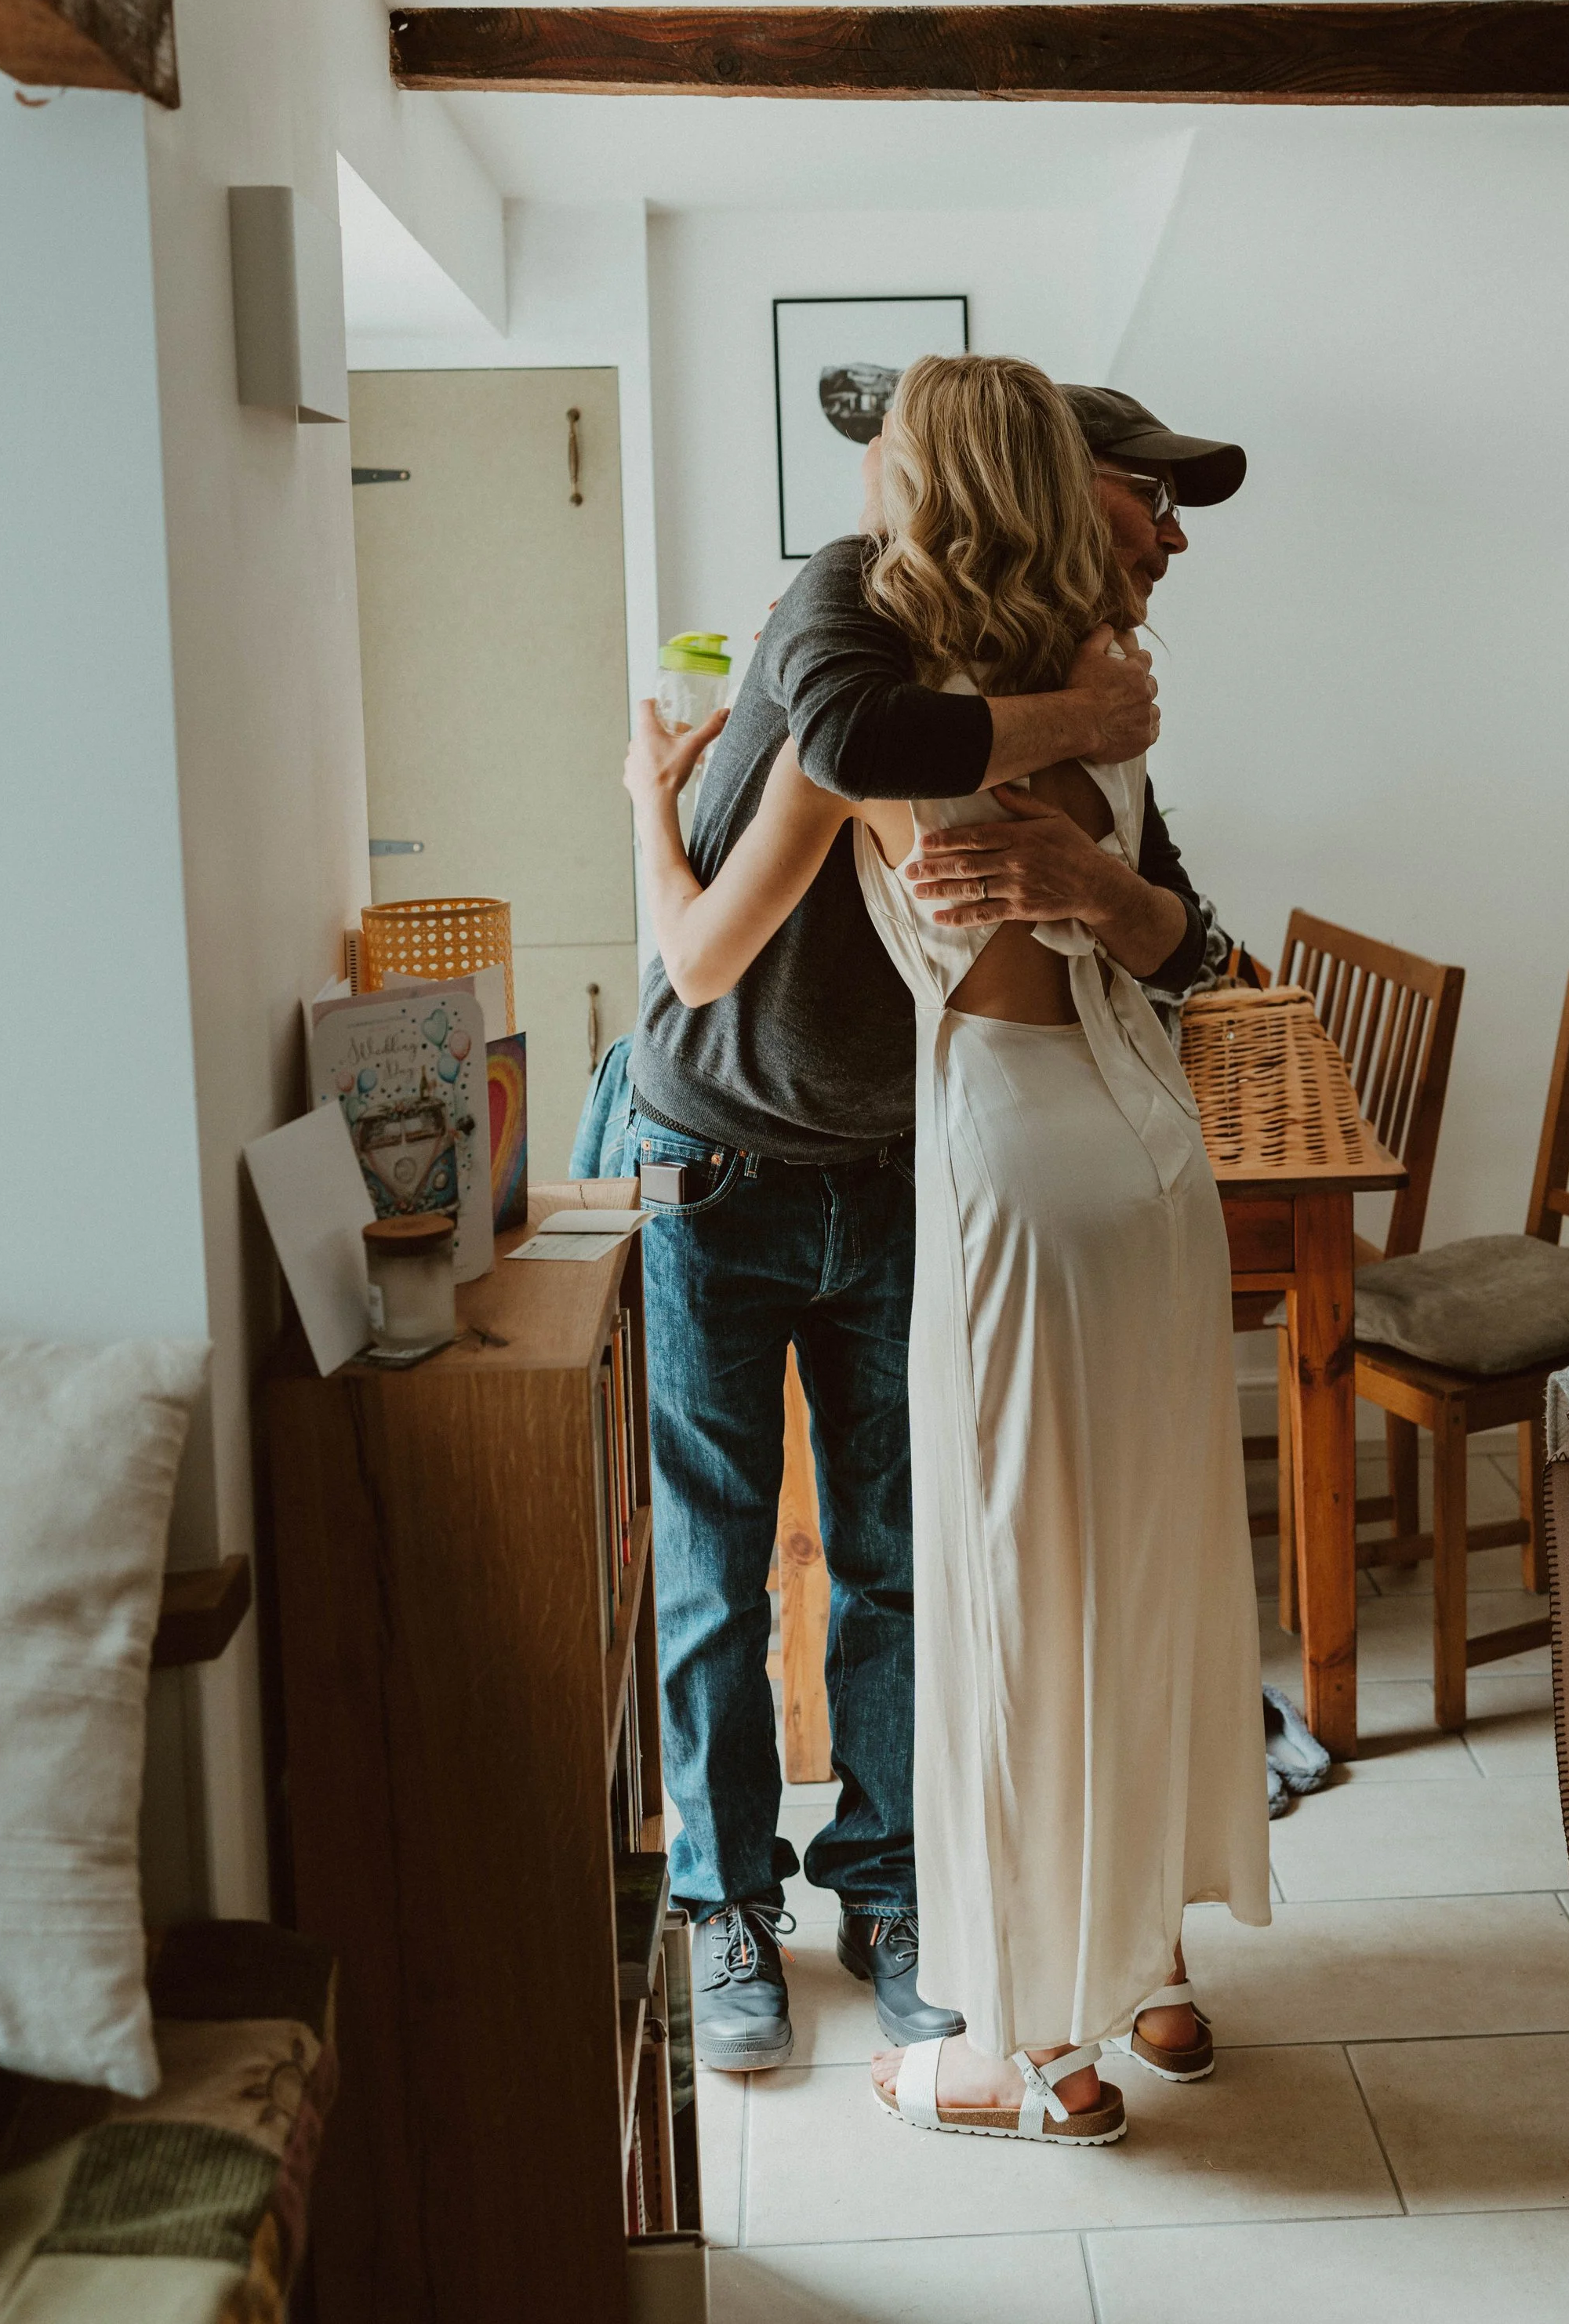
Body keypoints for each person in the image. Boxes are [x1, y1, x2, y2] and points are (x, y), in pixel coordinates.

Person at [623, 354, 1273, 2146]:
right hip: (770, 1154)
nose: (1167, 534)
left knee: (961, 1581)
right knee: (788, 1565)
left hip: (959, 1158)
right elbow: (823, 787)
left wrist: (638, 806)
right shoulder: (922, 657)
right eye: (1149, 496)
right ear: (1062, 489)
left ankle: (984, 1974)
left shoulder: (1047, 691)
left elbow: (1179, 934)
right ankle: (756, 1909)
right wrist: (1090, 766)